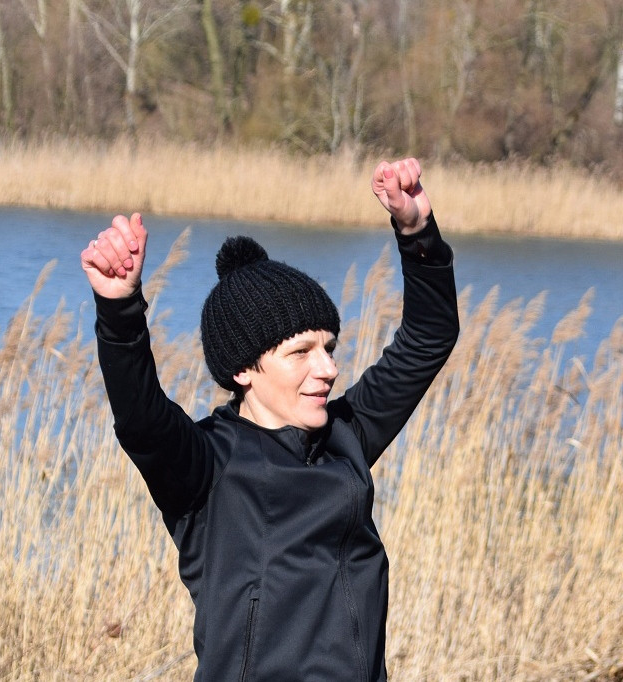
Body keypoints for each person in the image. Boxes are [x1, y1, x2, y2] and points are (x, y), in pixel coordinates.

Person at [81, 158, 459, 681]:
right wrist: (119, 309)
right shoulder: (206, 467)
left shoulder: (345, 435)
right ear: (243, 369)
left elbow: (428, 337)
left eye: (328, 347)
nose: (327, 368)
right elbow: (142, 419)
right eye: (301, 351)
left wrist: (417, 230)